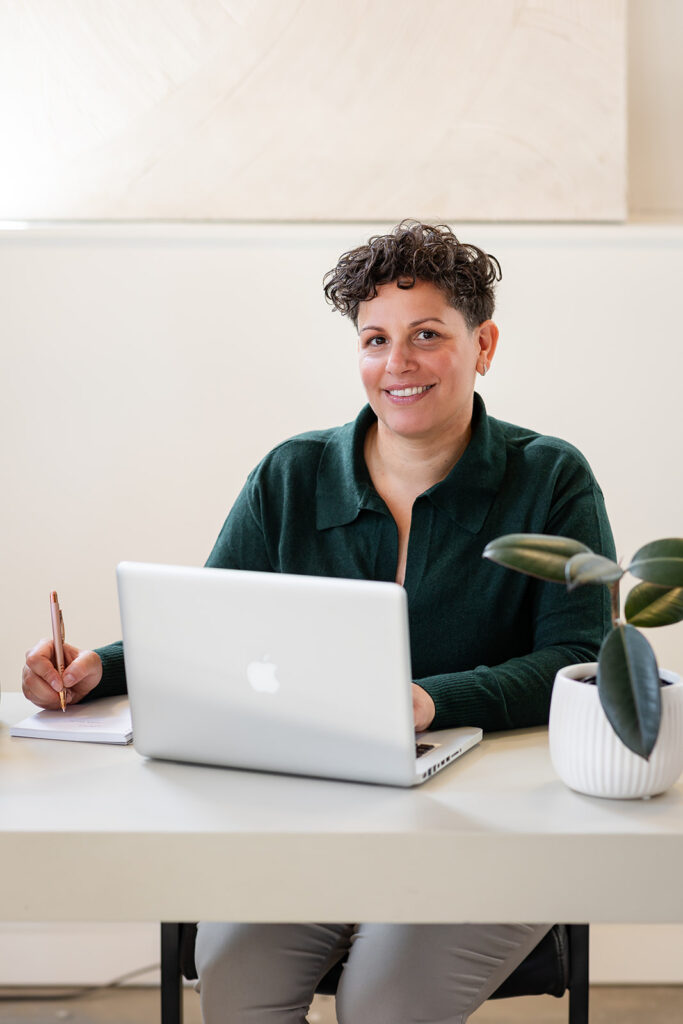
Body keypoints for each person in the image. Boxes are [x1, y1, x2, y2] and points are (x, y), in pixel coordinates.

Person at [23, 221, 615, 1024]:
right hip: (316, 814)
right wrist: (99, 665)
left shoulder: (549, 477)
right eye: (374, 339)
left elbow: (580, 661)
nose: (396, 364)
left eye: (427, 335)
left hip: (489, 827)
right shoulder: (293, 474)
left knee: (382, 1000)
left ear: (484, 346)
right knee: (231, 973)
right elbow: (211, 625)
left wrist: (427, 701)